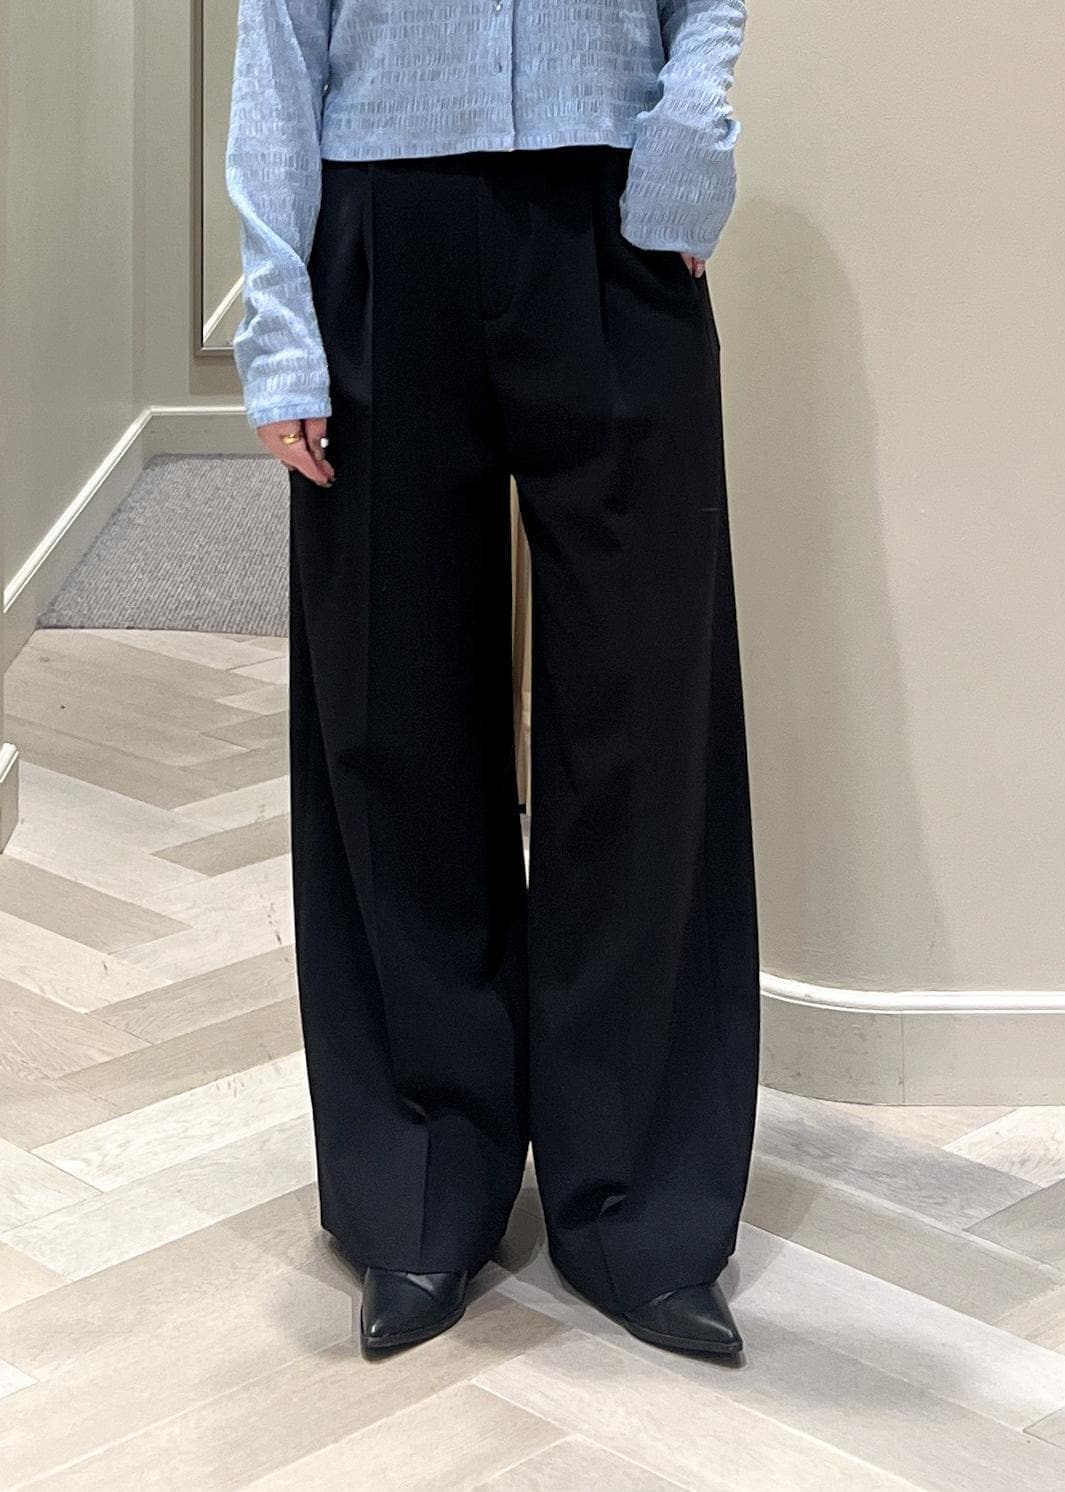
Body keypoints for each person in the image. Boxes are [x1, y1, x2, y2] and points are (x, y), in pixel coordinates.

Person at [226, 0, 760, 1359]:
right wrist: (280, 316)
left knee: (645, 714)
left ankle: (638, 1202)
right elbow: (278, 41)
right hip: (382, 227)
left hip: (613, 222)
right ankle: (420, 1183)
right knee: (388, 716)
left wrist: (683, 150)